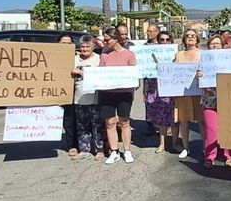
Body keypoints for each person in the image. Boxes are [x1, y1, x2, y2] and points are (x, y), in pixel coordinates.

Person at [99, 26, 138, 164]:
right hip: (107, 93)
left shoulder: (129, 55)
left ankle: (127, 150)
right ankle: (114, 151)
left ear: (115, 39)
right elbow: (100, 74)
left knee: (124, 122)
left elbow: (134, 75)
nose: (105, 42)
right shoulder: (104, 55)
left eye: (107, 39)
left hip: (124, 93)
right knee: (110, 123)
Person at [67, 35, 104, 160]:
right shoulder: (74, 59)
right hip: (78, 99)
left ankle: (99, 149)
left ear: (93, 47)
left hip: (96, 98)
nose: (84, 49)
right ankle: (84, 149)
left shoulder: (99, 59)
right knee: (82, 125)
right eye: (82, 47)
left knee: (97, 125)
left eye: (87, 47)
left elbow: (102, 76)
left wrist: (82, 72)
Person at [198, 35, 231, 168]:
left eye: (217, 44)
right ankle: (209, 157)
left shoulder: (230, 60)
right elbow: (197, 81)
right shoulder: (203, 61)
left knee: (228, 129)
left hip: (227, 99)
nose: (214, 46)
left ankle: (229, 155)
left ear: (223, 46)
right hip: (209, 99)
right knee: (211, 130)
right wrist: (199, 76)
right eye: (212, 44)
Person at [144, 30, 178, 154]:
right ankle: (162, 144)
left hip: (173, 89)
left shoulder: (176, 54)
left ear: (171, 41)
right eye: (161, 39)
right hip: (156, 88)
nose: (164, 42)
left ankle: (175, 143)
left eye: (167, 39)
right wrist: (146, 91)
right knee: (161, 118)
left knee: (174, 118)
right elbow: (145, 72)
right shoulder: (151, 54)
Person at [174, 29, 203, 160]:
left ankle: (205, 147)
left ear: (197, 39)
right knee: (184, 121)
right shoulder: (179, 54)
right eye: (187, 36)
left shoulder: (203, 54)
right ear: (184, 40)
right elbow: (172, 71)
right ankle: (186, 147)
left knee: (202, 121)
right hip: (183, 92)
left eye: (193, 36)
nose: (190, 38)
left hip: (199, 92)